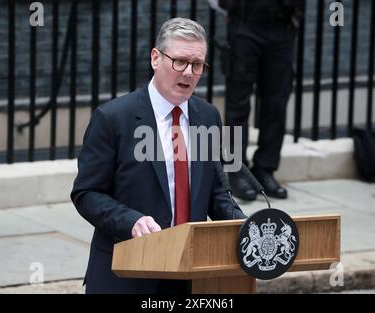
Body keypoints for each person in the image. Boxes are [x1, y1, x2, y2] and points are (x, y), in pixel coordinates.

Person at [71, 17, 246, 294]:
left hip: (190, 274)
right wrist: (131, 221)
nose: (188, 72)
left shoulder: (208, 116)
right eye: (179, 61)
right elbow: (87, 193)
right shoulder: (113, 118)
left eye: (197, 65)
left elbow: (215, 192)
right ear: (155, 58)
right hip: (129, 272)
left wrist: (245, 225)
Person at [218, 0, 304, 200]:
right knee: (237, 104)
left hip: (282, 24)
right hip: (245, 22)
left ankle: (265, 169)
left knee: (276, 103)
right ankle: (237, 172)